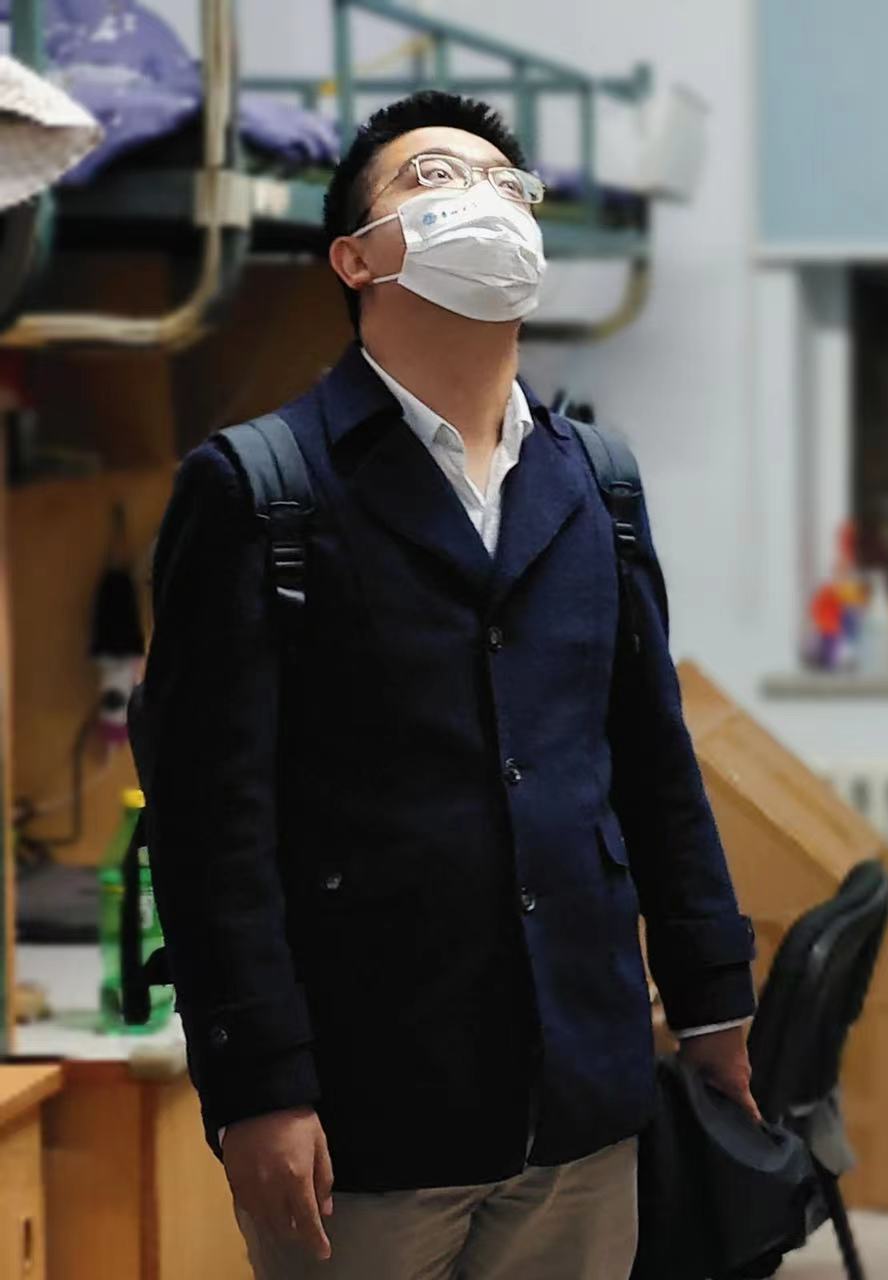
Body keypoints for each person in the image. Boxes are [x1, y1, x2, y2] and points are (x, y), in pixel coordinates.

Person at [143, 91, 759, 1280]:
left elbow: (652, 758)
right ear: (355, 258)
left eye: (505, 185)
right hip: (367, 1111)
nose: (483, 198)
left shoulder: (597, 482)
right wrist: (255, 1084)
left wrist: (713, 992)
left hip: (581, 1094)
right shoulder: (261, 490)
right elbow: (209, 823)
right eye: (432, 178)